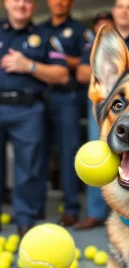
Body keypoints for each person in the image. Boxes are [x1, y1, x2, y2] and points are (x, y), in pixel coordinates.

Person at [0, 0, 68, 237]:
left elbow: (61, 74)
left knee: (29, 168)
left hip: (28, 110)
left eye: (28, 0)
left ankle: (25, 223)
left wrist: (28, 65)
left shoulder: (46, 36)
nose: (21, 4)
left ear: (34, 7)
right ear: (6, 3)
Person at [39, 0, 93, 227]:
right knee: (35, 154)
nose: (59, 2)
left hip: (68, 98)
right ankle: (34, 207)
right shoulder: (38, 29)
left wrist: (57, 60)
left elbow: (85, 67)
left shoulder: (82, 32)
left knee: (68, 153)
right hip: (38, 96)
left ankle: (71, 208)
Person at [74, 12, 114, 230]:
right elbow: (81, 74)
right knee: (97, 157)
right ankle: (96, 212)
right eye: (98, 25)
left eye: (107, 24)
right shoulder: (91, 47)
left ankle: (128, 214)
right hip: (98, 107)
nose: (102, 28)